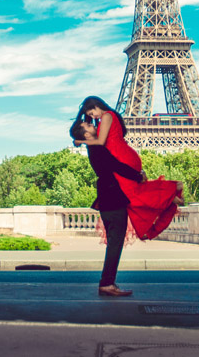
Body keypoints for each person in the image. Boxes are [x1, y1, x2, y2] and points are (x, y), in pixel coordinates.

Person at [73, 96, 184, 242]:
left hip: (121, 156)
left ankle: (168, 198)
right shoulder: (110, 117)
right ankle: (171, 195)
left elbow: (100, 142)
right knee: (133, 193)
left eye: (92, 113)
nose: (93, 117)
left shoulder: (106, 116)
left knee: (132, 196)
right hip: (125, 154)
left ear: (96, 106)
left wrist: (80, 141)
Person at [70, 119, 144, 297]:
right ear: (86, 134)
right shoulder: (97, 148)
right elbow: (116, 166)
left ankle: (107, 282)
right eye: (89, 125)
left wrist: (79, 140)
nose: (93, 124)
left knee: (114, 242)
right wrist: (138, 176)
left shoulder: (92, 146)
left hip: (106, 199)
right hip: (113, 199)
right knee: (115, 243)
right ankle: (107, 283)